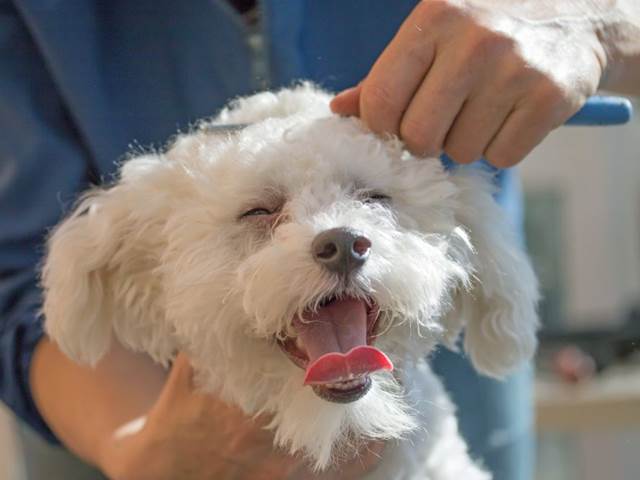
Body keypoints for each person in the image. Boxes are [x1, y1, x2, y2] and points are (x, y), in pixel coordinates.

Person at [0, 0, 638, 478]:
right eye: (261, 214)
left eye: (375, 201)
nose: (341, 237)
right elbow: (13, 264)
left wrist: (593, 22)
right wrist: (140, 451)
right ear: (143, 270)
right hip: (113, 425)